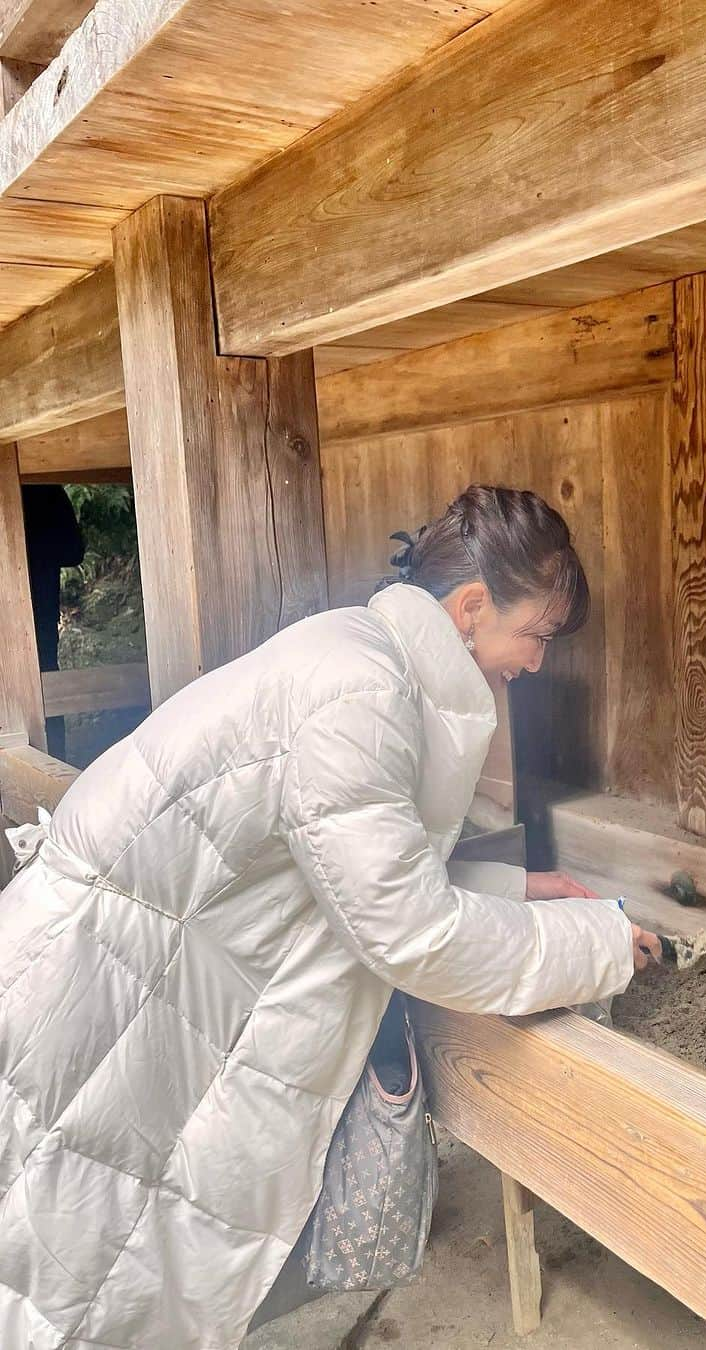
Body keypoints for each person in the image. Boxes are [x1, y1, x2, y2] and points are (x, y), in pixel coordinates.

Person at [0, 484, 660, 1350]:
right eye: (533, 635)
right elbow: (410, 932)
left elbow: (351, 865)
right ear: (470, 609)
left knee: (83, 1248)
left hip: (146, 970)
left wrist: (517, 890)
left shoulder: (370, 661)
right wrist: (602, 941)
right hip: (109, 986)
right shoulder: (362, 692)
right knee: (67, 1252)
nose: (536, 663)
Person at [21, 484, 85, 761]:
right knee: (45, 676)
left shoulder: (47, 487)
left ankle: (54, 762)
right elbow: (73, 551)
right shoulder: (48, 488)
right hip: (41, 615)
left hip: (39, 617)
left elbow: (74, 551)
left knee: (45, 680)